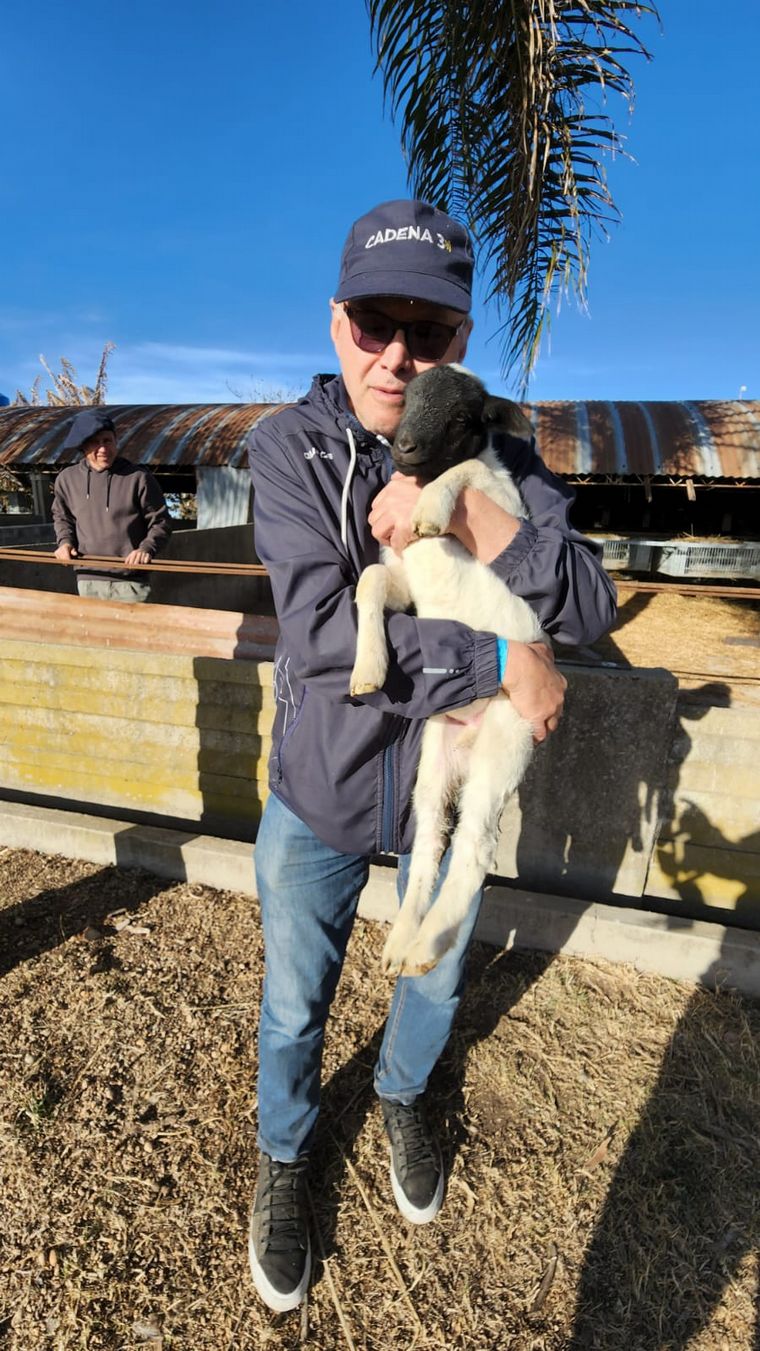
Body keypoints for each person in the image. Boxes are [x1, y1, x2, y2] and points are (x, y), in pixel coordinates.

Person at [246, 198, 617, 1313]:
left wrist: (476, 522)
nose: (399, 354)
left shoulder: (501, 448)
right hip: (321, 786)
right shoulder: (288, 447)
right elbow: (320, 640)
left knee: (433, 974)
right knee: (293, 997)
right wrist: (505, 656)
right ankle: (285, 1153)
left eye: (430, 329)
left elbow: (590, 602)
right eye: (375, 322)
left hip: (442, 803)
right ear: (335, 324)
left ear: (459, 343)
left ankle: (406, 1095)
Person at [52, 408, 171, 601]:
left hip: (130, 580)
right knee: (93, 631)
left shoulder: (138, 478)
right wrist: (64, 543)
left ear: (116, 441)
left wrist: (146, 548)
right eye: (94, 442)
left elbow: (161, 521)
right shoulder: (67, 479)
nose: (103, 449)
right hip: (88, 578)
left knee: (133, 631)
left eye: (107, 441)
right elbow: (62, 517)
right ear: (83, 446)